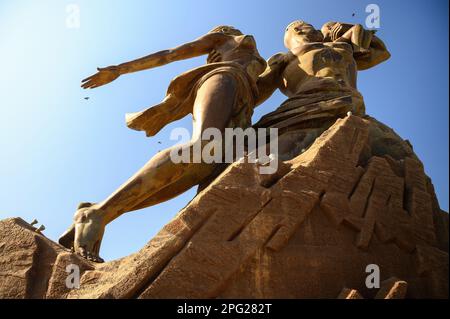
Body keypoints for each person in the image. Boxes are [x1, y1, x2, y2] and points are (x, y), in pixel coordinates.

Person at [59, 26, 266, 262]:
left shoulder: (259, 62)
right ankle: (98, 214)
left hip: (244, 100)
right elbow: (171, 53)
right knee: (202, 146)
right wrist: (120, 69)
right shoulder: (226, 37)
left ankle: (97, 210)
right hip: (224, 78)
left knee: (202, 169)